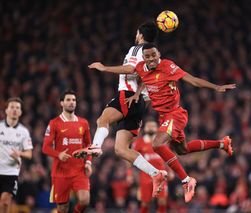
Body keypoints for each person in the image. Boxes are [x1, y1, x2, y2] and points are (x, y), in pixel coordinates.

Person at [88, 43, 236, 202]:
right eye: (147, 56)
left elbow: (192, 80)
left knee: (157, 144)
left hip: (175, 114)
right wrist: (105, 69)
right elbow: (129, 70)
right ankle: (222, 144)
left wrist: (216, 87)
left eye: (154, 55)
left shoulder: (168, 67)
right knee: (183, 149)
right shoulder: (142, 67)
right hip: (164, 117)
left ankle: (187, 181)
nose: (151, 59)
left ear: (159, 54)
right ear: (143, 58)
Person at [73, 22, 167, 197]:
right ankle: (156, 173)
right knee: (121, 149)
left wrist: (105, 68)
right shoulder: (156, 57)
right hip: (140, 104)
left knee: (103, 120)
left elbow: (131, 70)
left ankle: (95, 147)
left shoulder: (137, 49)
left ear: (140, 34)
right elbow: (147, 79)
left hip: (128, 95)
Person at [42, 90, 92, 213]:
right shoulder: (54, 123)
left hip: (79, 170)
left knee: (85, 200)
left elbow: (89, 145)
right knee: (62, 208)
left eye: (74, 100)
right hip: (60, 172)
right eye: (68, 100)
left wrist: (88, 163)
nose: (71, 103)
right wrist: (58, 154)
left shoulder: (83, 122)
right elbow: (45, 147)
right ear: (61, 103)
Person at [0, 97, 33, 213]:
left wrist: (19, 153)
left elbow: (29, 154)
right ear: (6, 110)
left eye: (17, 108)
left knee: (5, 202)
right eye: (12, 107)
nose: (14, 110)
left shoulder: (24, 132)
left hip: (11, 171)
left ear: (20, 112)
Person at [131, 119, 168, 213]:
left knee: (162, 201)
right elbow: (131, 157)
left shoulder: (162, 141)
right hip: (145, 176)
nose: (151, 128)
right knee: (145, 202)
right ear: (145, 128)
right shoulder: (139, 142)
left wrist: (170, 171)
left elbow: (167, 157)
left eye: (153, 126)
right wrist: (129, 173)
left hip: (161, 175)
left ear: (157, 128)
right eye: (149, 126)